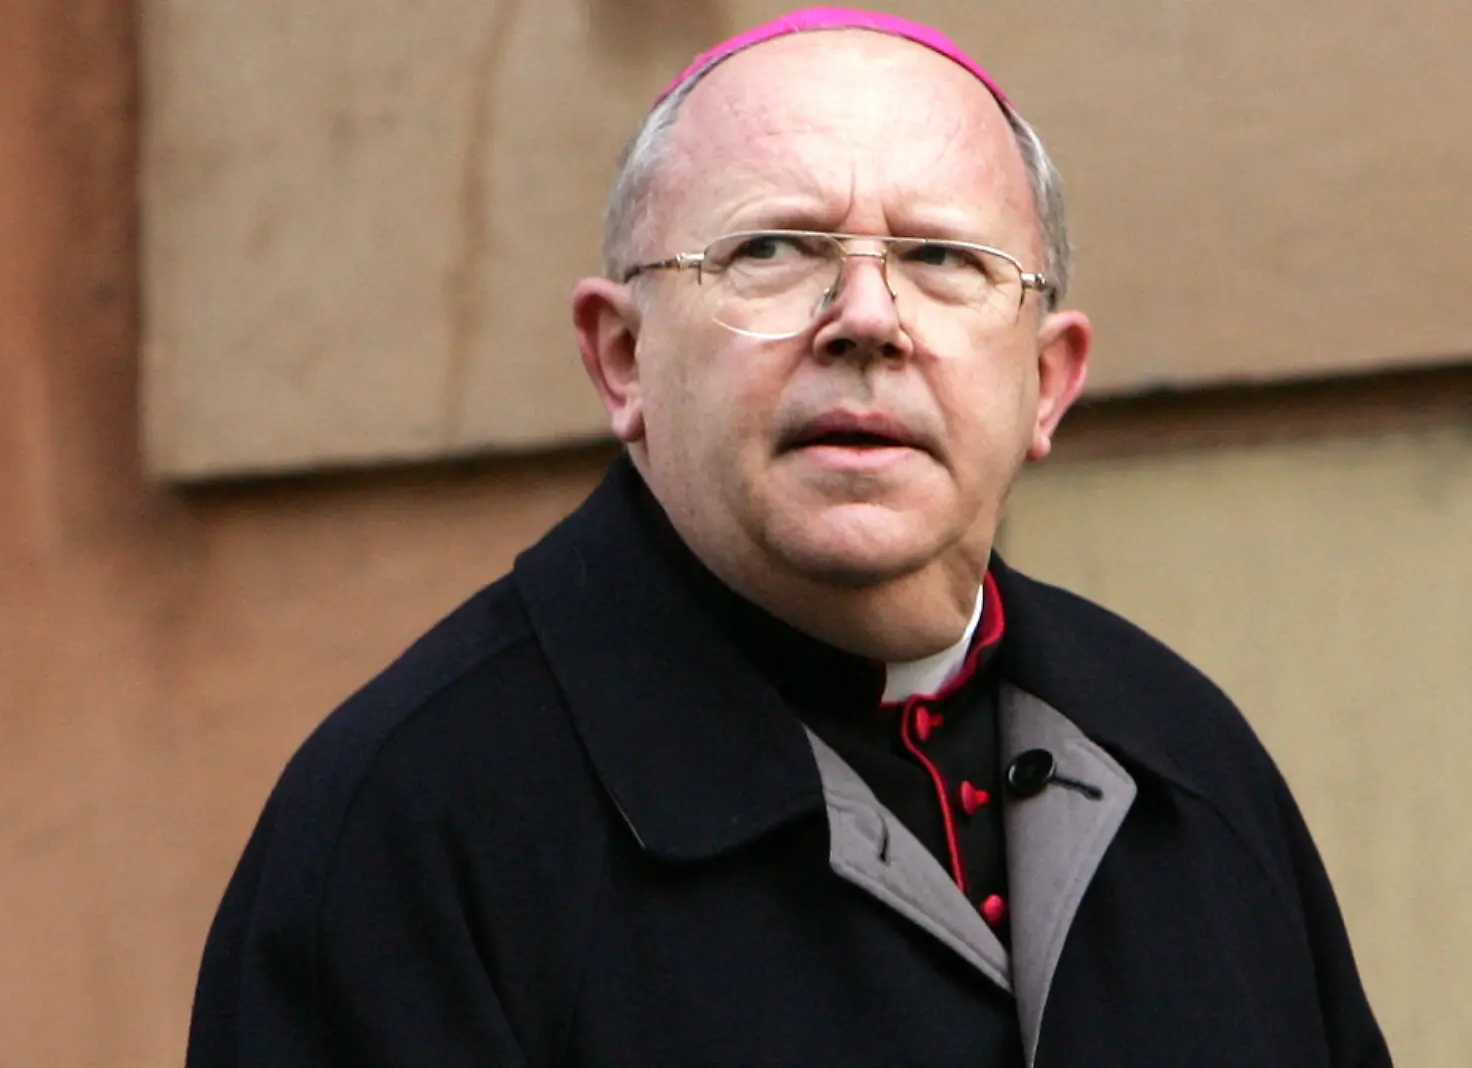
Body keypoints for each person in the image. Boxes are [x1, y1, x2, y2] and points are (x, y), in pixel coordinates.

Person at [184, 9, 1391, 1066]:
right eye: (770, 249)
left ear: (1047, 381)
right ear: (622, 357)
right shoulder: (415, 826)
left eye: (942, 258)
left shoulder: (1184, 761)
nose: (866, 317)